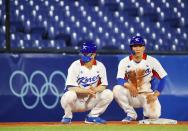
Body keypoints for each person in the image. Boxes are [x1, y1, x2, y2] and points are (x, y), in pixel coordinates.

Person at [113, 36, 168, 122]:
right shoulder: (124, 62)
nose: (137, 48)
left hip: (147, 95)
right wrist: (129, 85)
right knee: (117, 89)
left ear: (144, 47)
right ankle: (131, 114)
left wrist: (156, 94)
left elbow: (163, 78)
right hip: (132, 94)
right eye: (135, 46)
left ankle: (147, 114)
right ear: (131, 48)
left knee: (154, 115)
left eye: (140, 46)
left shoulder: (152, 61)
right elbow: (119, 79)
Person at [60, 40, 113, 124]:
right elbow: (70, 87)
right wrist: (87, 91)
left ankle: (92, 116)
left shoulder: (100, 66)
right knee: (70, 95)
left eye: (87, 53)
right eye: (83, 53)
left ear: (94, 54)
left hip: (89, 101)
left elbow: (104, 85)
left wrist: (95, 89)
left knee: (108, 93)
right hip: (74, 102)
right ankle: (67, 116)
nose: (84, 55)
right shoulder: (75, 65)